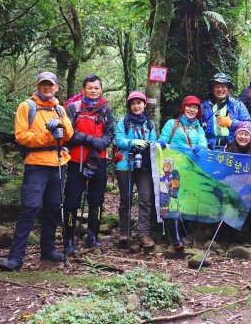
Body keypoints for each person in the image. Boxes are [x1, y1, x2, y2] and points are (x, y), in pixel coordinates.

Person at [0, 72, 74, 271]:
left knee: (52, 207)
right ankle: (15, 258)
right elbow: (22, 136)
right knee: (30, 207)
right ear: (38, 86)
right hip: (36, 164)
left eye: (50, 85)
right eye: (43, 84)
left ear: (57, 87)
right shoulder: (27, 106)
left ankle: (48, 250)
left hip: (58, 163)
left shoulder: (59, 109)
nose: (47, 88)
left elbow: (69, 134)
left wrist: (60, 124)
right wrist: (48, 135)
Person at [62, 74, 114, 253]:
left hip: (98, 161)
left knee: (97, 200)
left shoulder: (106, 110)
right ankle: (68, 239)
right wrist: (91, 140)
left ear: (101, 90)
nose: (93, 91)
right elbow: (68, 133)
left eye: (96, 88)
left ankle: (93, 236)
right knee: (71, 201)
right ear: (83, 89)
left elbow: (110, 134)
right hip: (76, 161)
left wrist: (102, 142)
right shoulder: (72, 108)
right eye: (90, 88)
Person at [157, 95, 208, 249]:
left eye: (195, 107)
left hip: (190, 168)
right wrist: (161, 143)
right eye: (189, 106)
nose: (192, 110)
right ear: (183, 107)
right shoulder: (172, 123)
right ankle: (175, 238)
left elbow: (203, 141)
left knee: (185, 198)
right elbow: (164, 138)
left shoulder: (198, 127)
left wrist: (202, 147)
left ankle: (183, 233)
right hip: (172, 166)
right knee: (173, 198)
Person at [114, 91, 157, 249]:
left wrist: (146, 145)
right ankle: (124, 232)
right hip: (125, 164)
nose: (136, 106)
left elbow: (154, 142)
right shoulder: (123, 122)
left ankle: (143, 234)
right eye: (132, 103)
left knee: (145, 198)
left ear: (144, 104)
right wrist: (133, 142)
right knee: (126, 199)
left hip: (144, 165)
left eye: (139, 103)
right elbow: (118, 140)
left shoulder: (150, 123)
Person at [201, 73, 251, 150]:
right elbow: (195, 126)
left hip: (232, 148)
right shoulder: (204, 107)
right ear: (212, 90)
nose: (220, 89)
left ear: (228, 89)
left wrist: (231, 123)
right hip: (209, 148)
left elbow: (249, 126)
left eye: (223, 86)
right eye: (217, 86)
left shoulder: (238, 106)